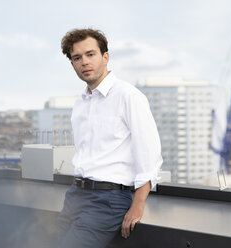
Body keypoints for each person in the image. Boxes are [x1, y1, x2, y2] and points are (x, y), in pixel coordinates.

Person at [56, 28, 163, 248]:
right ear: (72, 64)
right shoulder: (80, 103)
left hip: (108, 199)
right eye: (77, 58)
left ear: (105, 57)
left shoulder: (129, 96)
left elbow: (150, 156)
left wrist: (138, 205)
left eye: (90, 54)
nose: (84, 62)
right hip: (75, 196)